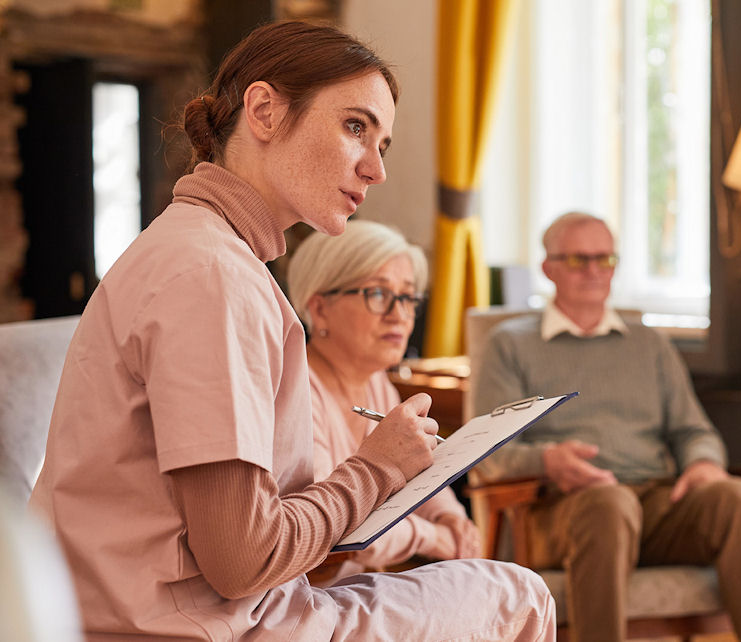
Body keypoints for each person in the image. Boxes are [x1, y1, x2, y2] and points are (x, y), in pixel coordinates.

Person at [28, 20, 555, 640]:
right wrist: (376, 468)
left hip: (181, 612)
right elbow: (242, 560)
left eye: (382, 143)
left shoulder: (202, 253)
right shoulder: (211, 275)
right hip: (197, 628)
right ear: (264, 110)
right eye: (355, 126)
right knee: (519, 594)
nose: (375, 169)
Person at [472, 211, 741, 642]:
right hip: (561, 509)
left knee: (740, 498)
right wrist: (548, 460)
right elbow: (488, 455)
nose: (594, 271)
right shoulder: (509, 345)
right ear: (548, 269)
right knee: (609, 503)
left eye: (605, 259)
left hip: (657, 501)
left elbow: (694, 430)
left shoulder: (648, 343)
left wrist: (703, 464)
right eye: (579, 259)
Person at [286, 220, 480, 584]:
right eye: (377, 294)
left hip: (351, 586)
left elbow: (424, 470)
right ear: (320, 308)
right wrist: (437, 539)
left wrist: (450, 517)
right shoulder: (297, 390)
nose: (399, 314)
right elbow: (343, 529)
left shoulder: (376, 382)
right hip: (301, 597)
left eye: (407, 297)